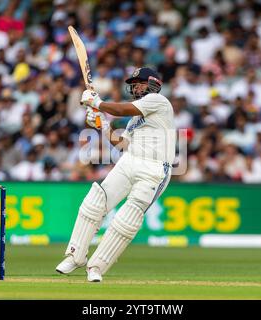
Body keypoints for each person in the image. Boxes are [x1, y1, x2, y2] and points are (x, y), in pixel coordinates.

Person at [56, 68, 175, 282]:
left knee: (126, 220)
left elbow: (121, 110)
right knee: (95, 202)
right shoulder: (135, 120)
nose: (135, 86)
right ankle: (75, 255)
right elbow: (122, 144)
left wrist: (97, 103)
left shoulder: (159, 101)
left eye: (139, 82)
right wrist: (102, 125)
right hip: (129, 160)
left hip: (155, 169)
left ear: (152, 83)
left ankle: (96, 267)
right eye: (134, 83)